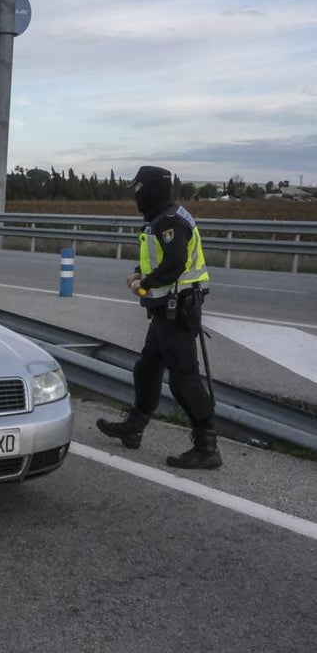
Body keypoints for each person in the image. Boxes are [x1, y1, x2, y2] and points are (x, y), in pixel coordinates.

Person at [96, 165, 222, 469]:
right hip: (167, 308)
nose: (136, 197)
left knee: (183, 378)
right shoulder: (163, 217)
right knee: (147, 368)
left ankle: (207, 448)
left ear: (151, 189)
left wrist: (146, 283)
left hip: (177, 308)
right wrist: (141, 273)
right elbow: (162, 259)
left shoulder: (169, 221)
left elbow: (177, 261)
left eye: (139, 190)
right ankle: (134, 427)